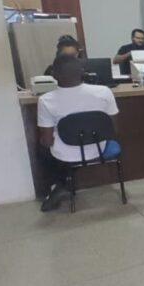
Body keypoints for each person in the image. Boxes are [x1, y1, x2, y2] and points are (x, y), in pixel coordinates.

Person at [36, 55, 120, 211]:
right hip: (99, 148)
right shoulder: (104, 92)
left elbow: (47, 142)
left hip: (65, 154)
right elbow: (113, 129)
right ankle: (63, 184)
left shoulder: (45, 100)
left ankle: (59, 185)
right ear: (82, 72)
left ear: (53, 75)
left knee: (41, 148)